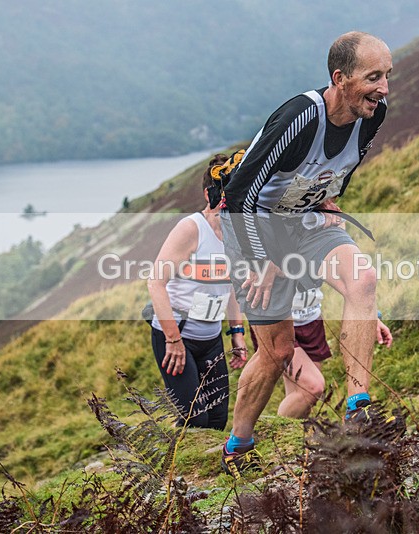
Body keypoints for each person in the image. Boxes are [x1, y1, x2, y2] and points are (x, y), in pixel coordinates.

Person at [218, 31, 393, 477]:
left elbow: (342, 168)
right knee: (276, 352)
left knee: (363, 281)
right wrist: (266, 262)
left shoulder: (374, 114)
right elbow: (240, 195)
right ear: (340, 78)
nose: (384, 88)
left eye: (388, 76)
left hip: (307, 221)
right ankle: (238, 443)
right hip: (253, 227)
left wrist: (330, 199)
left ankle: (358, 410)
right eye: (373, 77)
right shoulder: (301, 118)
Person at [147, 154, 248, 429]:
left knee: (217, 418)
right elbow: (155, 283)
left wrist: (237, 333)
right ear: (209, 193)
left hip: (211, 339)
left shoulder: (237, 232)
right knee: (196, 420)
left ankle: (206, 470)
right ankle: (174, 470)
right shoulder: (191, 228)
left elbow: (232, 288)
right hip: (178, 338)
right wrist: (173, 339)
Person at [250, 285, 393, 419]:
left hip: (310, 319)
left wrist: (371, 316)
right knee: (312, 388)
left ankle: (285, 440)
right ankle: (265, 431)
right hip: (276, 320)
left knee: (301, 399)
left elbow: (347, 275)